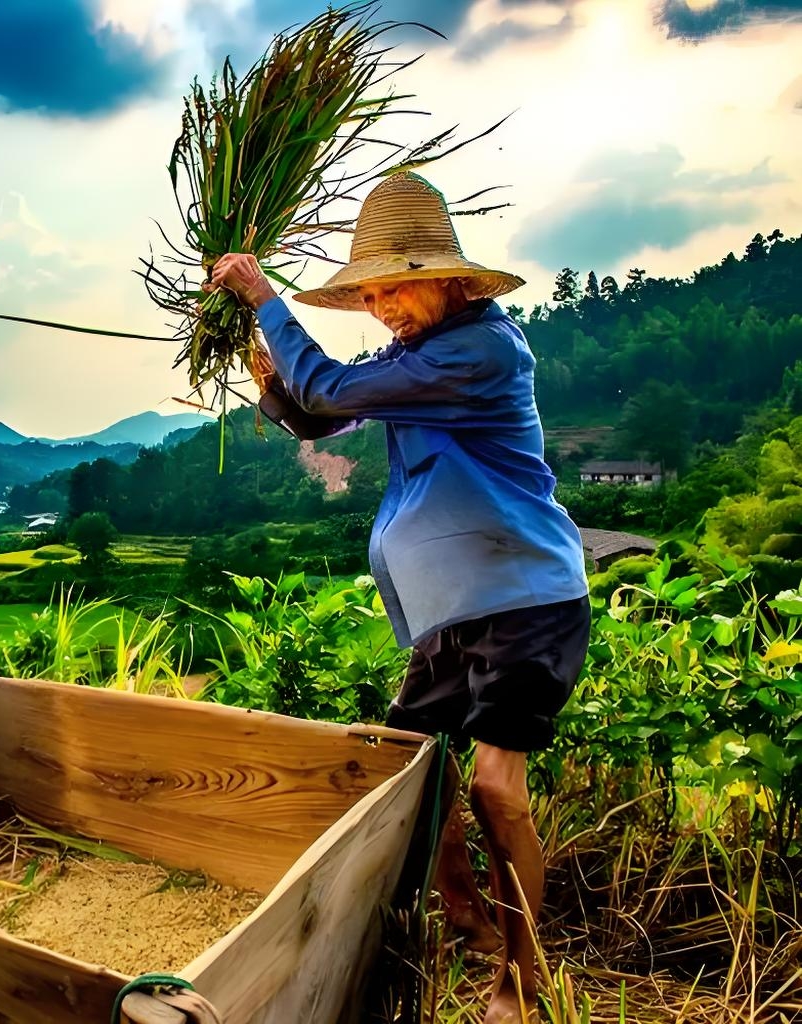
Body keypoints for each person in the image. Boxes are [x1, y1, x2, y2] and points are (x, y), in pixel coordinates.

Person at [205, 171, 590, 1024]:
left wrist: (267, 296)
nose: (381, 306)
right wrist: (268, 369)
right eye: (369, 293)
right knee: (409, 769)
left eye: (393, 287)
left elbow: (334, 392)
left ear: (448, 277)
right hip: (453, 610)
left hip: (525, 599)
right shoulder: (416, 355)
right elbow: (322, 416)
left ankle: (521, 981)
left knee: (494, 787)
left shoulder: (481, 349)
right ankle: (463, 916)